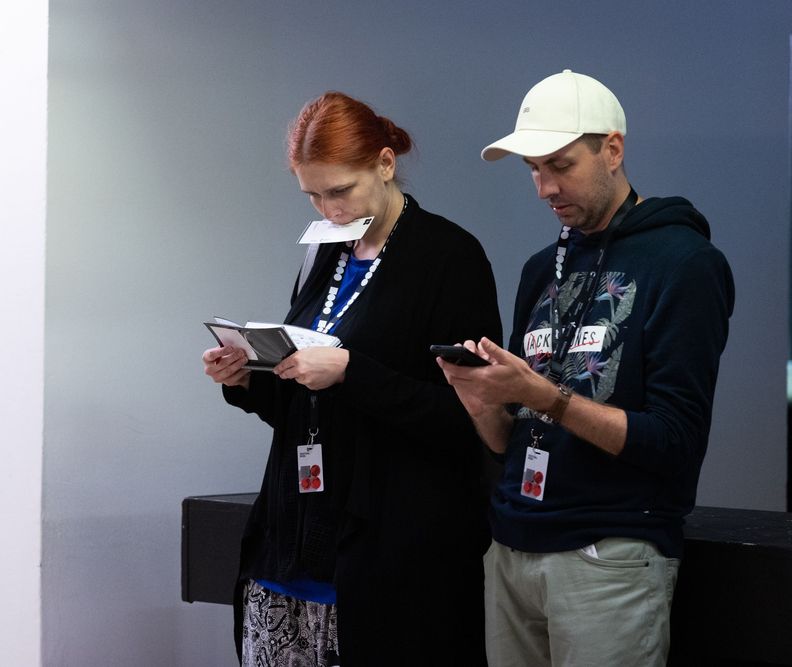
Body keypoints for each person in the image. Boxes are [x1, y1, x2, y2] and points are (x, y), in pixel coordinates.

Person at [437, 70, 735, 666]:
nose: (545, 188)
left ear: (613, 150)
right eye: (533, 169)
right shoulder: (541, 268)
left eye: (561, 165)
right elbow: (511, 439)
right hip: (512, 545)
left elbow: (675, 441)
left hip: (610, 555)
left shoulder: (685, 263)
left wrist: (545, 397)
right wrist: (483, 403)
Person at [202, 91, 502, 666]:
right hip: (293, 538)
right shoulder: (324, 252)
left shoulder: (448, 256)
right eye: (313, 195)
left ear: (385, 164)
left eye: (339, 191)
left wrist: (351, 371)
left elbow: (466, 417)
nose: (329, 209)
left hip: (391, 548)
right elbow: (305, 404)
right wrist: (246, 380)